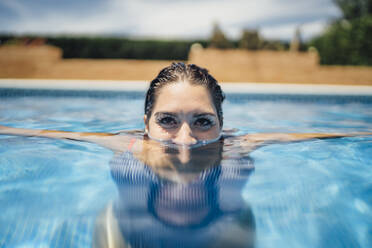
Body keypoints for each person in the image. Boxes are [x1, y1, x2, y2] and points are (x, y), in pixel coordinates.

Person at [0, 62, 371, 247]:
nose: (185, 140)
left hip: (225, 235)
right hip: (125, 237)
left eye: (203, 121)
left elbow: (328, 136)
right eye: (167, 120)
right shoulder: (127, 145)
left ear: (223, 125)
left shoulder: (238, 147)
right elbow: (40, 133)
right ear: (145, 123)